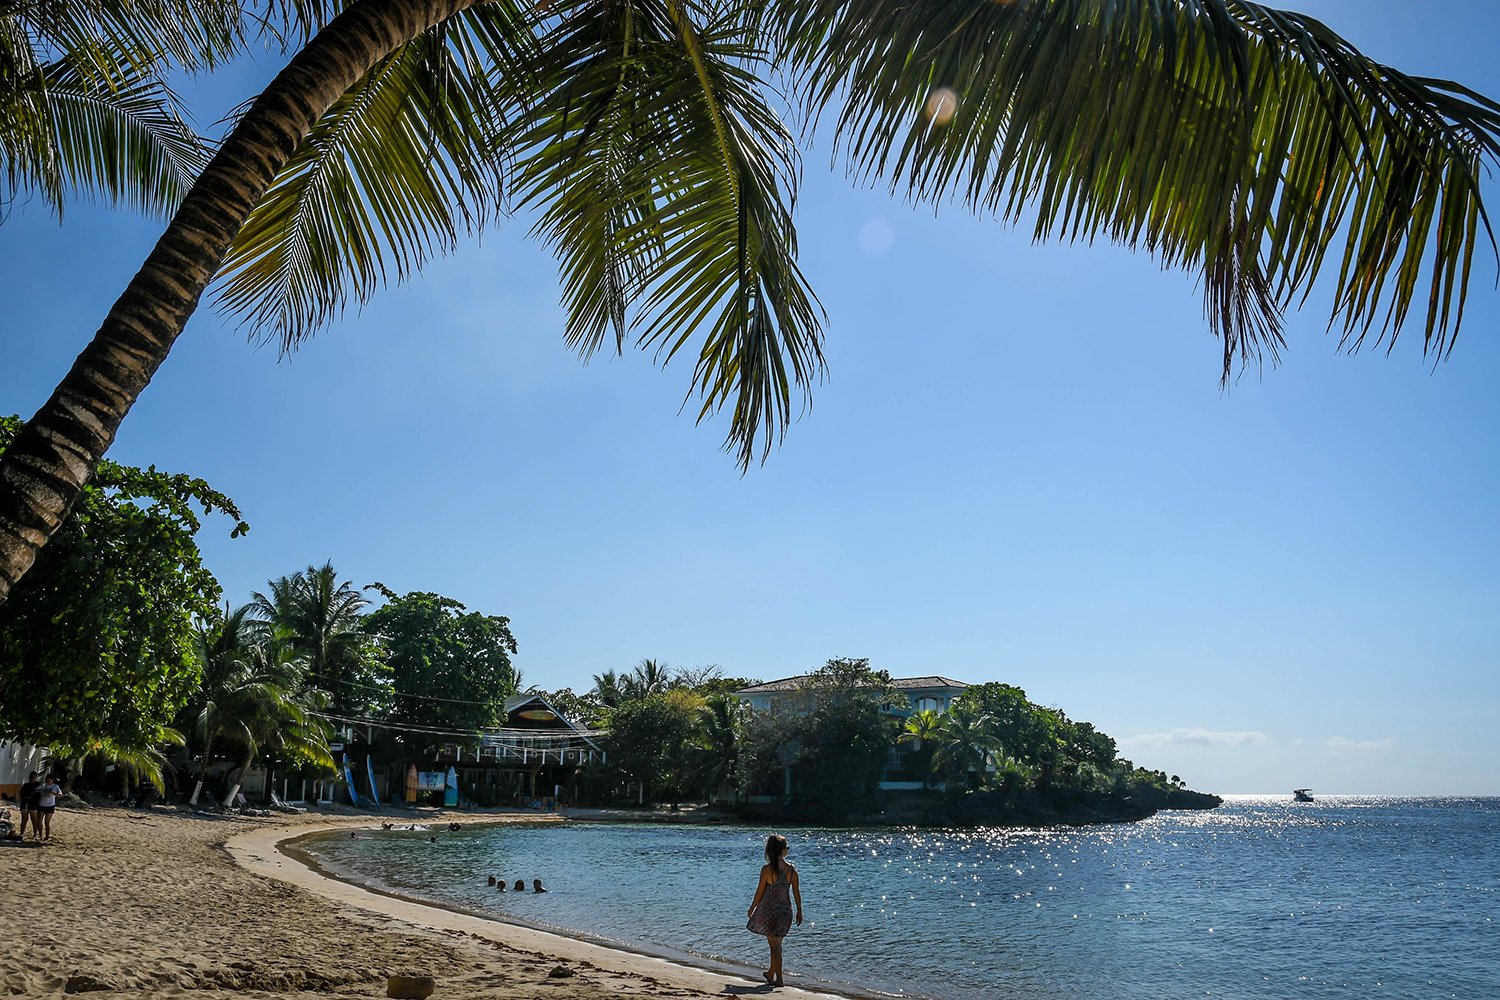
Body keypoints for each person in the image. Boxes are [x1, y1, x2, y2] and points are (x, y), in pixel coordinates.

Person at [746, 834, 802, 988]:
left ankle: (780, 980)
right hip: (785, 912)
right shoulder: (791, 870)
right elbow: (797, 892)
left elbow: (760, 892)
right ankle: (771, 973)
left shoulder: (767, 870)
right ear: (783, 851)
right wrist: (799, 910)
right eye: (787, 848)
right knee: (777, 945)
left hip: (770, 912)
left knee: (774, 946)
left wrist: (752, 907)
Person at [35, 774, 63, 841]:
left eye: (50, 780)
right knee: (39, 821)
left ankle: (47, 836)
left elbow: (60, 794)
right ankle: (40, 835)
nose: (48, 781)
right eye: (47, 780)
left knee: (47, 822)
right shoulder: (43, 786)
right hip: (41, 805)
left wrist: (53, 794)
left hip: (50, 805)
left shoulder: (55, 786)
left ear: (52, 780)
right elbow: (35, 790)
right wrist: (39, 792)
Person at [17, 771, 39, 841]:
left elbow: (39, 795)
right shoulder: (26, 785)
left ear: (36, 778)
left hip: (33, 804)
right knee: (24, 819)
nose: (32, 778)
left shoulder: (38, 785)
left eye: (33, 777)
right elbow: (21, 794)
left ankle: (35, 834)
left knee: (34, 820)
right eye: (31, 777)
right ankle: (21, 833)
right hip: (25, 803)